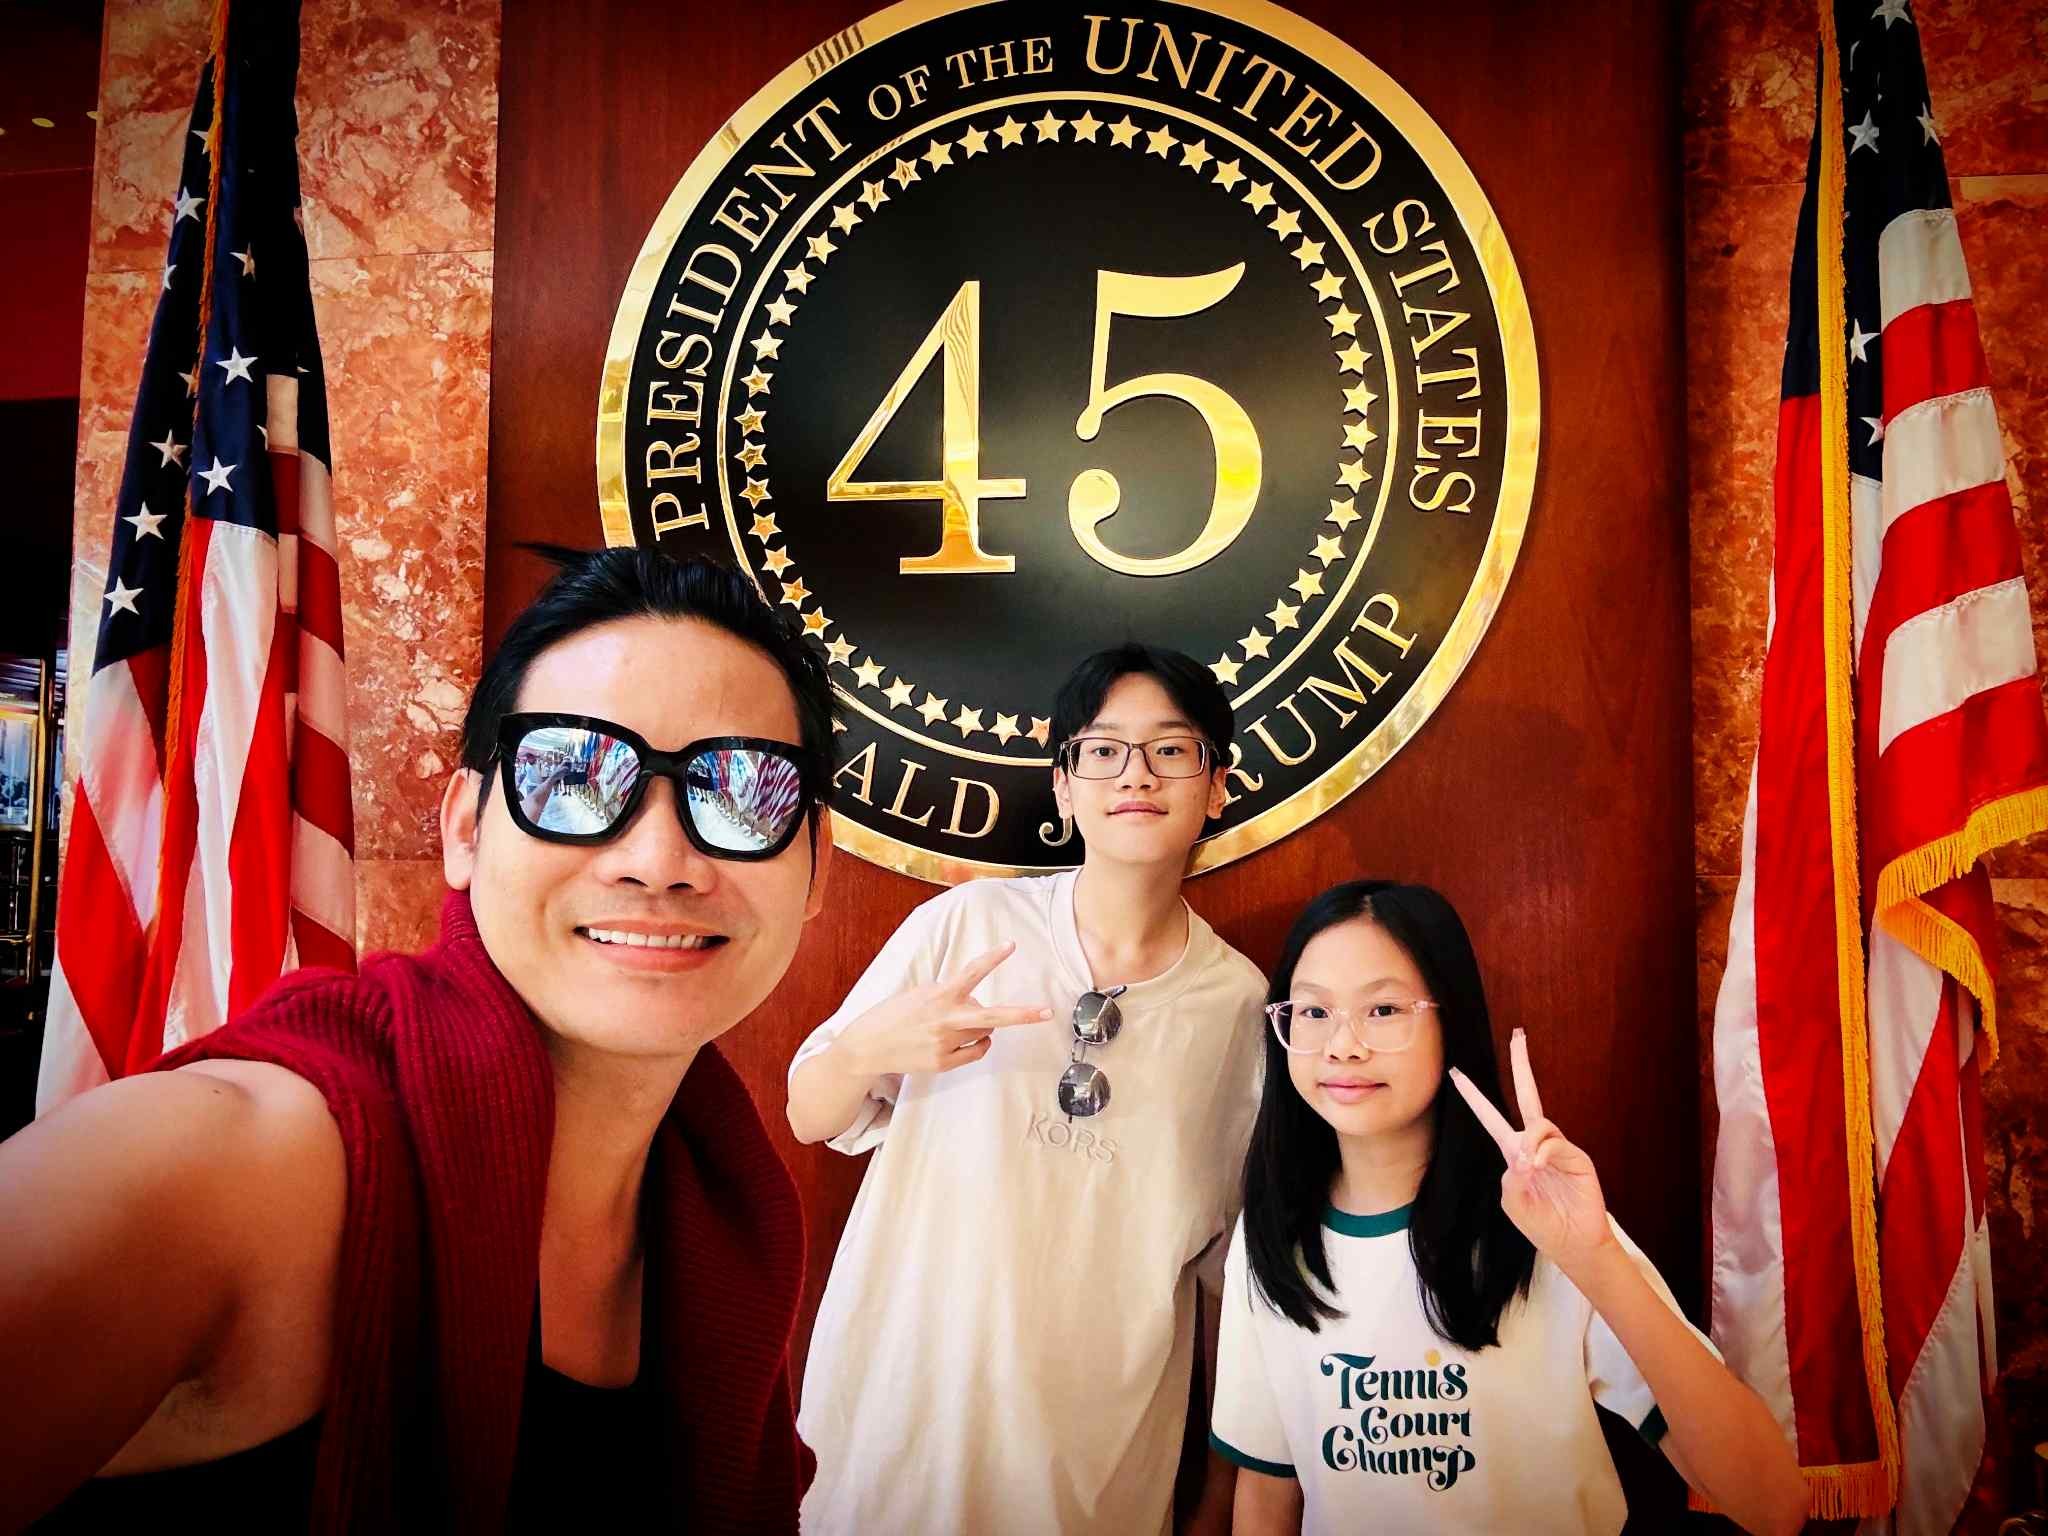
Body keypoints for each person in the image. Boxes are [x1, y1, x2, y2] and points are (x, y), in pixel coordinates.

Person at [0, 549, 832, 1533]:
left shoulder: (717, 1222)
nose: (657, 861)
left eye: (742, 792)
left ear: (814, 870)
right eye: (571, 775)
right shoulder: (232, 1162)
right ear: (465, 829)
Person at [786, 643, 1263, 1535]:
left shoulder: (1239, 1005)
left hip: (1096, 1468)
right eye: (1104, 750)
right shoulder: (969, 924)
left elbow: (1226, 1281)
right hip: (899, 1428)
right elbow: (808, 1113)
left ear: (1217, 786)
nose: (1137, 774)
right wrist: (870, 1050)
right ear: (1063, 787)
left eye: (1171, 749)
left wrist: (1219, 1494)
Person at [1211, 880, 1808, 1535]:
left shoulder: (1541, 1224)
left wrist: (1593, 1258)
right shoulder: (1272, 1240)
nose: (1342, 1045)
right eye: (1313, 1011)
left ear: (1452, 1022)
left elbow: (1771, 1504)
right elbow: (1267, 1494)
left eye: (1383, 1009)